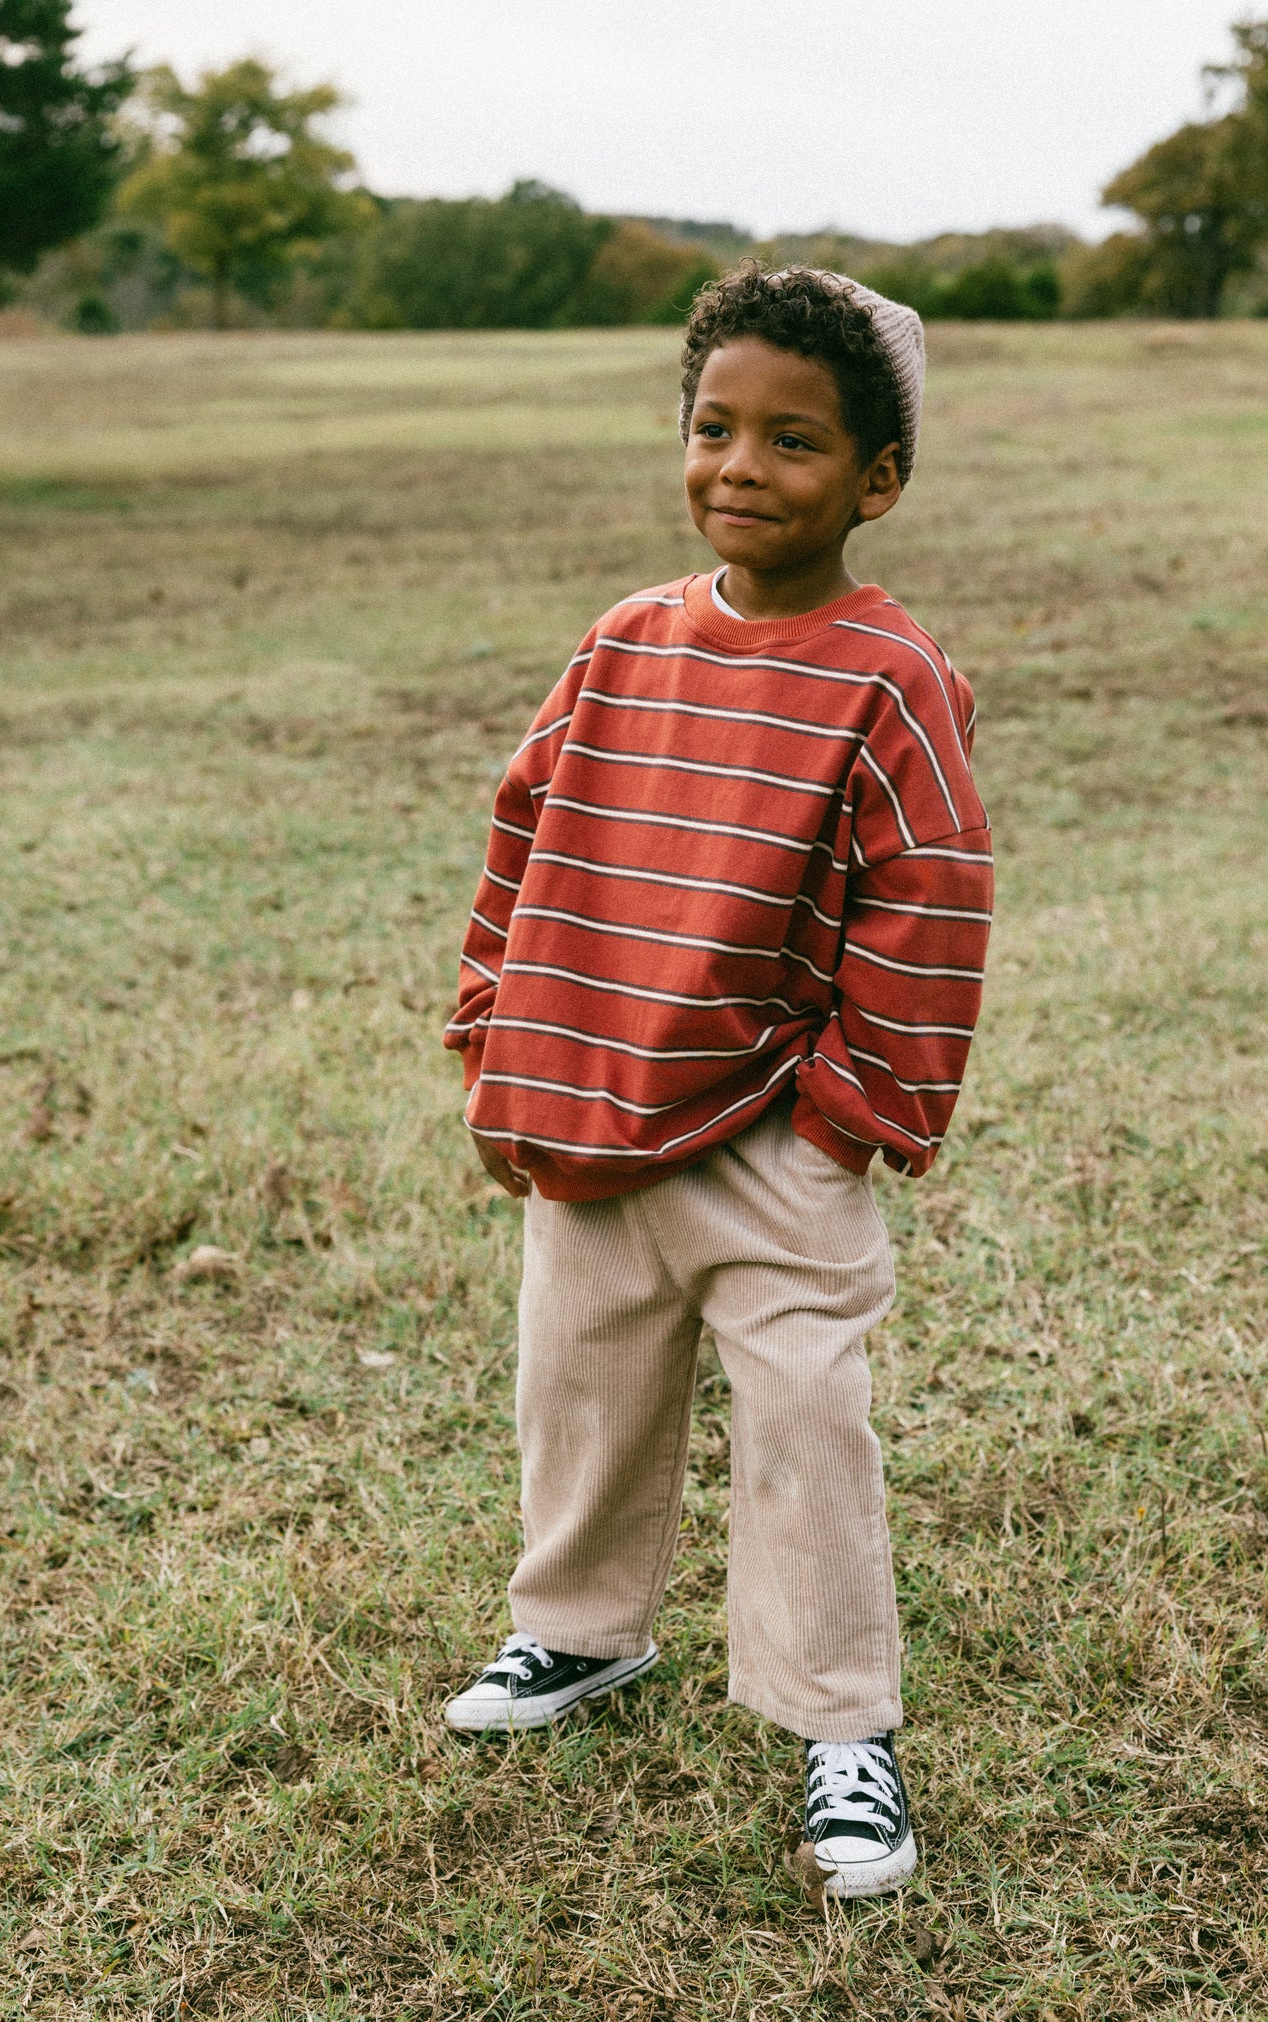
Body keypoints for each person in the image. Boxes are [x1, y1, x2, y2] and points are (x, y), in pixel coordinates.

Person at [440, 263, 992, 1900]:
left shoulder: (889, 679)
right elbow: (526, 826)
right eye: (715, 426)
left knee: (805, 1416)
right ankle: (578, 1633)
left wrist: (845, 1121)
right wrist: (495, 1028)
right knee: (582, 1383)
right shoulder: (623, 645)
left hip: (767, 1129)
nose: (741, 467)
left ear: (876, 482)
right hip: (594, 1099)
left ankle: (840, 1728)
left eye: (796, 442)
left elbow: (931, 895)